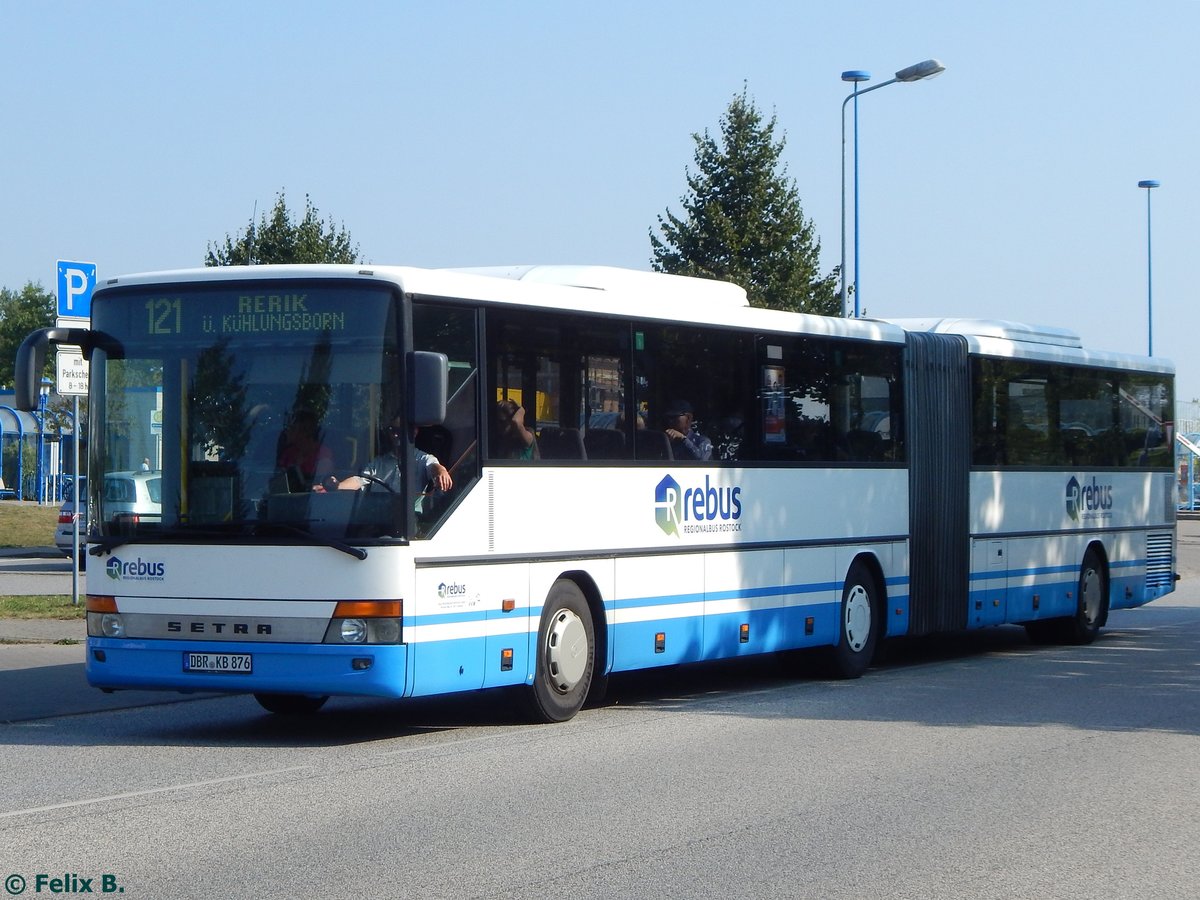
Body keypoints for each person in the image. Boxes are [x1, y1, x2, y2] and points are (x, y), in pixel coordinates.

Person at [318, 416, 452, 495]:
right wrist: (337, 486)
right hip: (378, 517)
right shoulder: (379, 462)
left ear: (414, 432)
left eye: (399, 431)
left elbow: (434, 467)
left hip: (410, 521)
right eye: (392, 430)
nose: (394, 435)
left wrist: (441, 472)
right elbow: (359, 480)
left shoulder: (422, 458)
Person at [278, 409, 334, 487]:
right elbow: (278, 479)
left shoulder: (323, 455)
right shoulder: (289, 453)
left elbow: (321, 486)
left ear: (305, 431)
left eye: (293, 428)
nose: (287, 431)